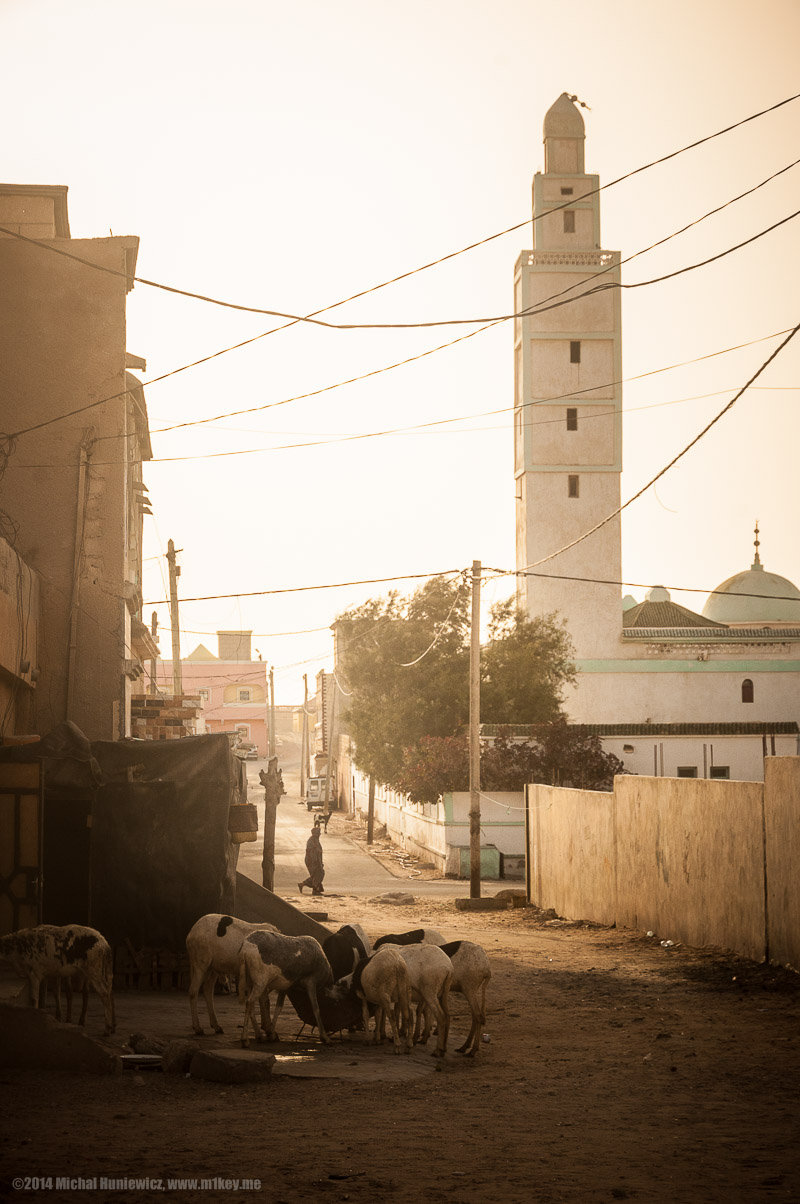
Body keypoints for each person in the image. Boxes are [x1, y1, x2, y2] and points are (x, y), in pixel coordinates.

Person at [260, 755, 286, 892]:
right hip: (271, 798)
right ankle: (268, 888)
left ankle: (268, 886)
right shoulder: (270, 780)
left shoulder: (274, 780)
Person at [298, 824, 325, 896]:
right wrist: (316, 862)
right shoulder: (311, 841)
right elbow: (311, 853)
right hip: (311, 861)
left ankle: (303, 884)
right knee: (317, 874)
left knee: (318, 874)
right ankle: (316, 890)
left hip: (316, 861)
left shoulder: (316, 840)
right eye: (318, 833)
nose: (319, 834)